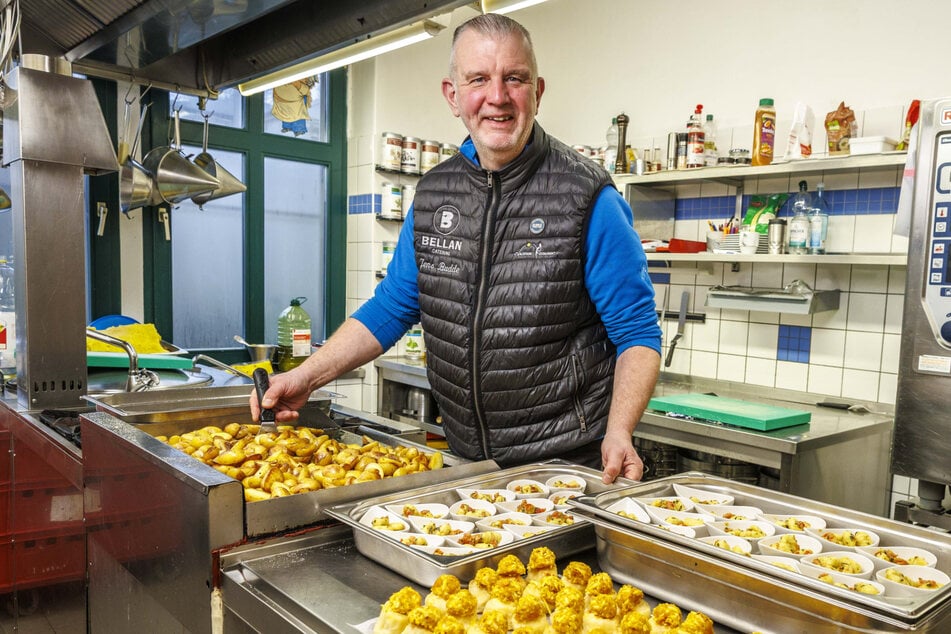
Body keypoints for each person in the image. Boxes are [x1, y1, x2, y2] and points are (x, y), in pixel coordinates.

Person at [251, 13, 662, 483]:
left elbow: (638, 333)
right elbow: (392, 307)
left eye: (515, 78)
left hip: (567, 466)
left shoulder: (589, 197)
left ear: (538, 91)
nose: (498, 97)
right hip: (470, 465)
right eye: (478, 80)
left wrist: (620, 430)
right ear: (453, 95)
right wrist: (306, 376)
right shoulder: (432, 194)